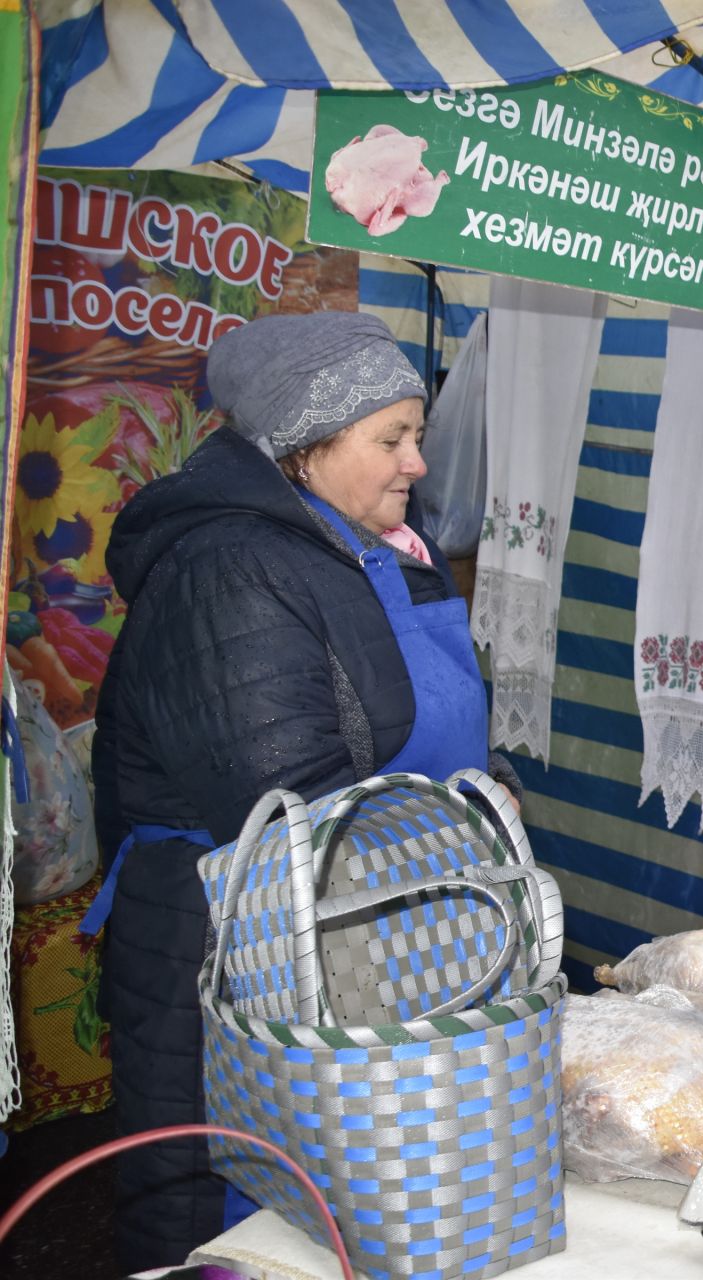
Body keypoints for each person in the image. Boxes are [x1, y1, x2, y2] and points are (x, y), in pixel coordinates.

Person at [90, 312, 518, 1272]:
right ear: (305, 446)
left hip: (360, 918)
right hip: (229, 943)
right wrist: (466, 829)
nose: (416, 463)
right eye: (391, 439)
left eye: (418, 436)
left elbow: (405, 714)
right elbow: (287, 799)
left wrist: (489, 785)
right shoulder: (233, 565)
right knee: (225, 1211)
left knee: (341, 1197)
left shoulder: (367, 547)